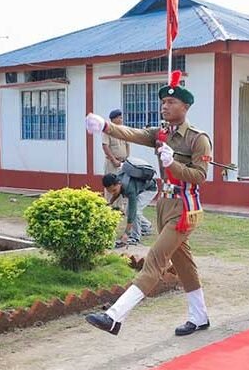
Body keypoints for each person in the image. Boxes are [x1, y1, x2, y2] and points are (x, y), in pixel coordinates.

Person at [83, 71, 213, 337]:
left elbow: (200, 176)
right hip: (164, 204)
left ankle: (115, 316)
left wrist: (172, 164)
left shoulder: (197, 138)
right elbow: (133, 133)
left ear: (185, 107)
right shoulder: (161, 133)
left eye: (171, 102)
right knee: (183, 263)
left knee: (155, 259)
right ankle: (199, 317)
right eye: (163, 101)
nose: (165, 106)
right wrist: (105, 126)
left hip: (184, 208)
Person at [102, 170, 157, 246]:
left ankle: (135, 237)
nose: (113, 193)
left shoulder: (129, 188)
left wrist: (126, 233)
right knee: (128, 211)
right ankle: (146, 227)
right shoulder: (118, 180)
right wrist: (110, 203)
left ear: (119, 183)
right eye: (110, 191)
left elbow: (132, 212)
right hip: (139, 189)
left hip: (149, 190)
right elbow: (116, 192)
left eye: (114, 190)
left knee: (135, 212)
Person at [102, 109, 130, 203]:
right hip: (112, 163)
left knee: (121, 184)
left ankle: (120, 207)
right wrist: (114, 160)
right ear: (113, 119)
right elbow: (105, 146)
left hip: (122, 163)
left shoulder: (123, 130)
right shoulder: (107, 130)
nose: (121, 119)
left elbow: (127, 145)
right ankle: (109, 205)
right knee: (111, 184)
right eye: (119, 118)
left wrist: (127, 158)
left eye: (121, 117)